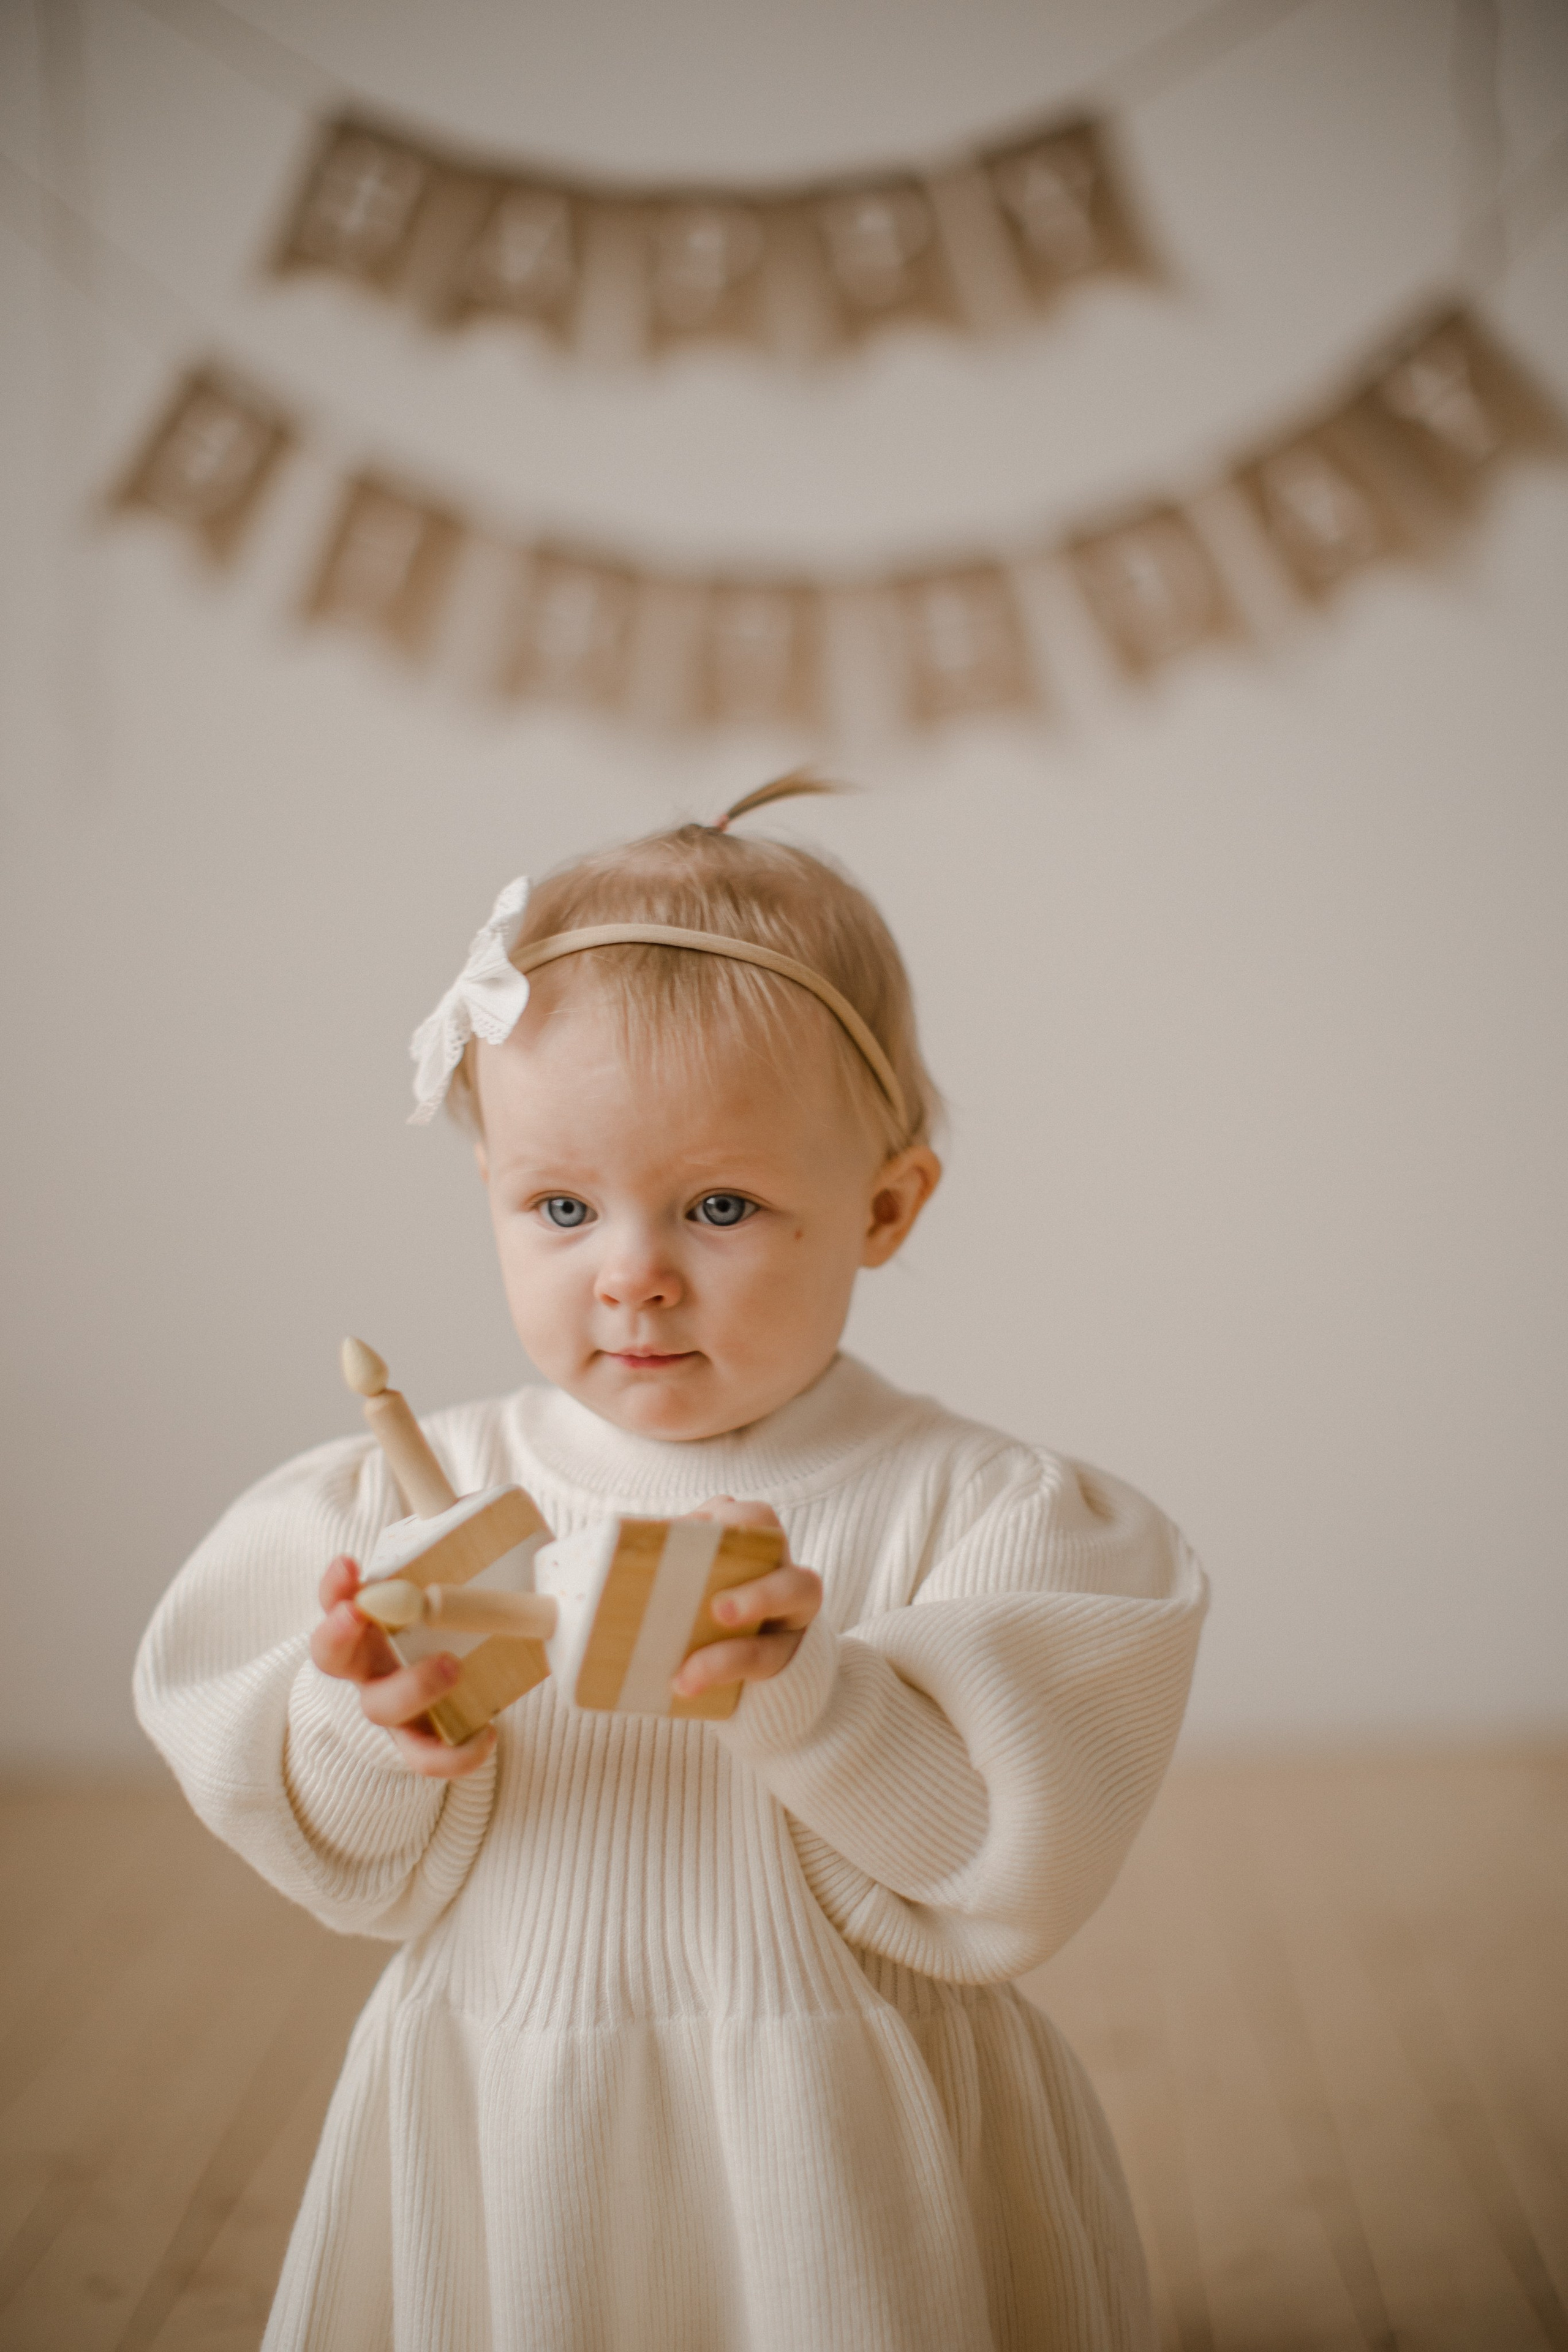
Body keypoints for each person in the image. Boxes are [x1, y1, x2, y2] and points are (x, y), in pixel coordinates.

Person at [135, 778, 1207, 2352]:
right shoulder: (421, 1500)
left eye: (718, 1206)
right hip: (512, 2091)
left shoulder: (981, 1515)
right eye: (560, 1206)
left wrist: (811, 1696)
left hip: (840, 2122)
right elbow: (328, 1850)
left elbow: (1000, 1862)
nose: (629, 1275)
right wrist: (383, 1728)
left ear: (884, 1207)